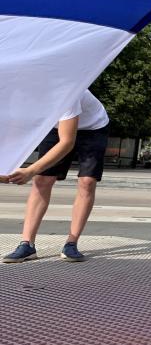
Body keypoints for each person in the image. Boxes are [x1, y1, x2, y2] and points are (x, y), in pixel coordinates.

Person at [1, 90, 109, 263]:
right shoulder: (20, 95)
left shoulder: (65, 93)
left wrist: (30, 170)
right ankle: (27, 244)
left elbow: (66, 143)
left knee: (87, 182)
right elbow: (14, 132)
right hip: (55, 125)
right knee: (42, 180)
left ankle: (71, 244)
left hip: (93, 127)